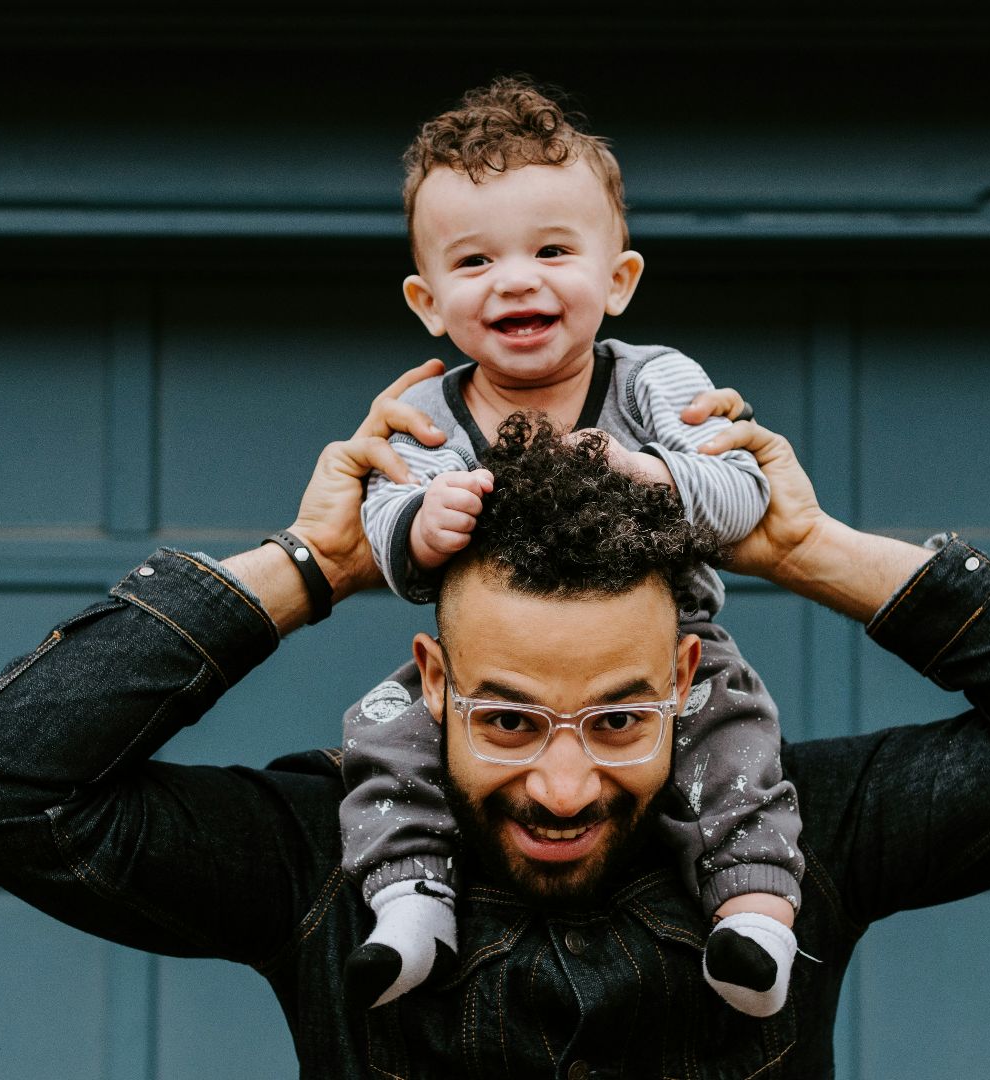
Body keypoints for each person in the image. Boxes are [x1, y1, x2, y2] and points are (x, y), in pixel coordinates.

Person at [0, 363, 990, 1079]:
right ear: (431, 682)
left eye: (622, 720)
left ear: (691, 675)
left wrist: (810, 550)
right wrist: (311, 567)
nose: (568, 788)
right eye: (513, 725)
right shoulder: (319, 858)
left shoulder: (803, 838)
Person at [341, 75, 801, 1017]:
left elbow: (741, 490)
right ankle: (409, 900)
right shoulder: (426, 410)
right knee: (383, 731)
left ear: (618, 279)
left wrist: (651, 474)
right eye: (474, 264)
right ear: (429, 302)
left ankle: (753, 915)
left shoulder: (653, 383)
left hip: (673, 645)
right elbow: (384, 529)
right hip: (488, 667)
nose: (515, 279)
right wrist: (418, 526)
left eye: (552, 250)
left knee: (737, 735)